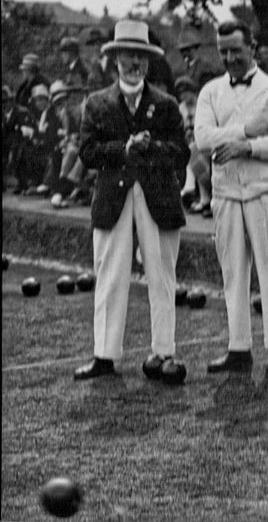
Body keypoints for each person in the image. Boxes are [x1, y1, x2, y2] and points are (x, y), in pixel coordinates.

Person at [73, 19, 190, 383]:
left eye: (140, 55)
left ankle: (163, 353)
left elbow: (181, 153)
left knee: (161, 273)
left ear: (149, 61)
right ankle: (105, 355)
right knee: (109, 272)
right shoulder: (96, 103)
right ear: (115, 59)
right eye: (127, 55)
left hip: (157, 195)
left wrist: (151, 148)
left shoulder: (166, 104)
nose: (133, 62)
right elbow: (87, 152)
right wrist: (122, 149)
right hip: (114, 195)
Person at [195, 19, 268, 375]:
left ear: (252, 48)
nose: (229, 58)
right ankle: (238, 348)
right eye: (223, 51)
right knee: (232, 270)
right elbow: (203, 138)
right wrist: (244, 131)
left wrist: (249, 147)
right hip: (226, 191)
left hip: (266, 191)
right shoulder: (210, 92)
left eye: (236, 51)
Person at [175, 76, 211, 217]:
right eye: (181, 94)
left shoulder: (202, 104)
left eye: (187, 93)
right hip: (188, 142)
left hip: (204, 142)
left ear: (192, 91)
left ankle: (190, 188)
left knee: (193, 152)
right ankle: (203, 199)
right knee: (188, 151)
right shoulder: (181, 108)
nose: (184, 97)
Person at [2, 84, 35, 193]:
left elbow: (28, 131)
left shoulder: (21, 112)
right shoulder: (4, 114)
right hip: (7, 143)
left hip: (20, 142)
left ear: (12, 101)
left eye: (6, 101)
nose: (5, 104)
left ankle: (23, 183)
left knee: (18, 152)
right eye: (3, 102)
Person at [86, 28, 118, 92]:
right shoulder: (94, 64)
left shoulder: (114, 62)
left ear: (105, 45)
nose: (96, 48)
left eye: (99, 44)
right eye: (93, 45)